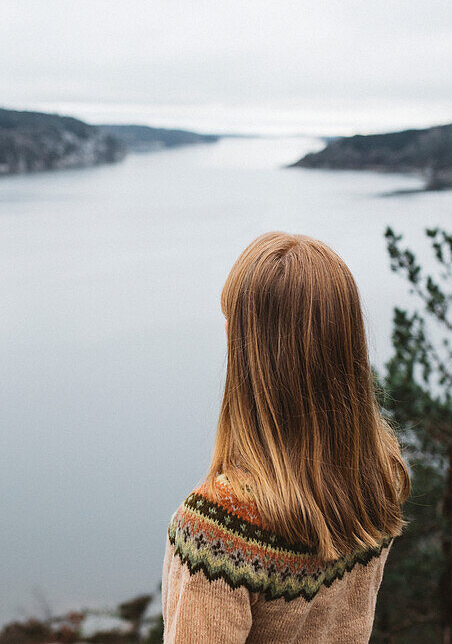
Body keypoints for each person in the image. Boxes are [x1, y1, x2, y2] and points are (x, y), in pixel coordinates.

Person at [162, 231, 410, 643]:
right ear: (345, 341)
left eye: (231, 324)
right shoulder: (378, 477)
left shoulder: (219, 528)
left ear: (240, 343)